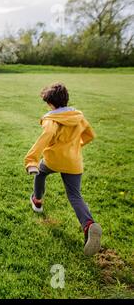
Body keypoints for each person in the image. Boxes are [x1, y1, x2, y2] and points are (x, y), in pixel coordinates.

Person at [24, 83, 102, 256]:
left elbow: (44, 139)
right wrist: (77, 146)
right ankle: (89, 225)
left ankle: (37, 200)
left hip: (53, 161)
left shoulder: (52, 120)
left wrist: (31, 161)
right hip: (74, 163)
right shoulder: (78, 116)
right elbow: (90, 135)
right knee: (75, 195)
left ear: (50, 104)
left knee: (41, 173)